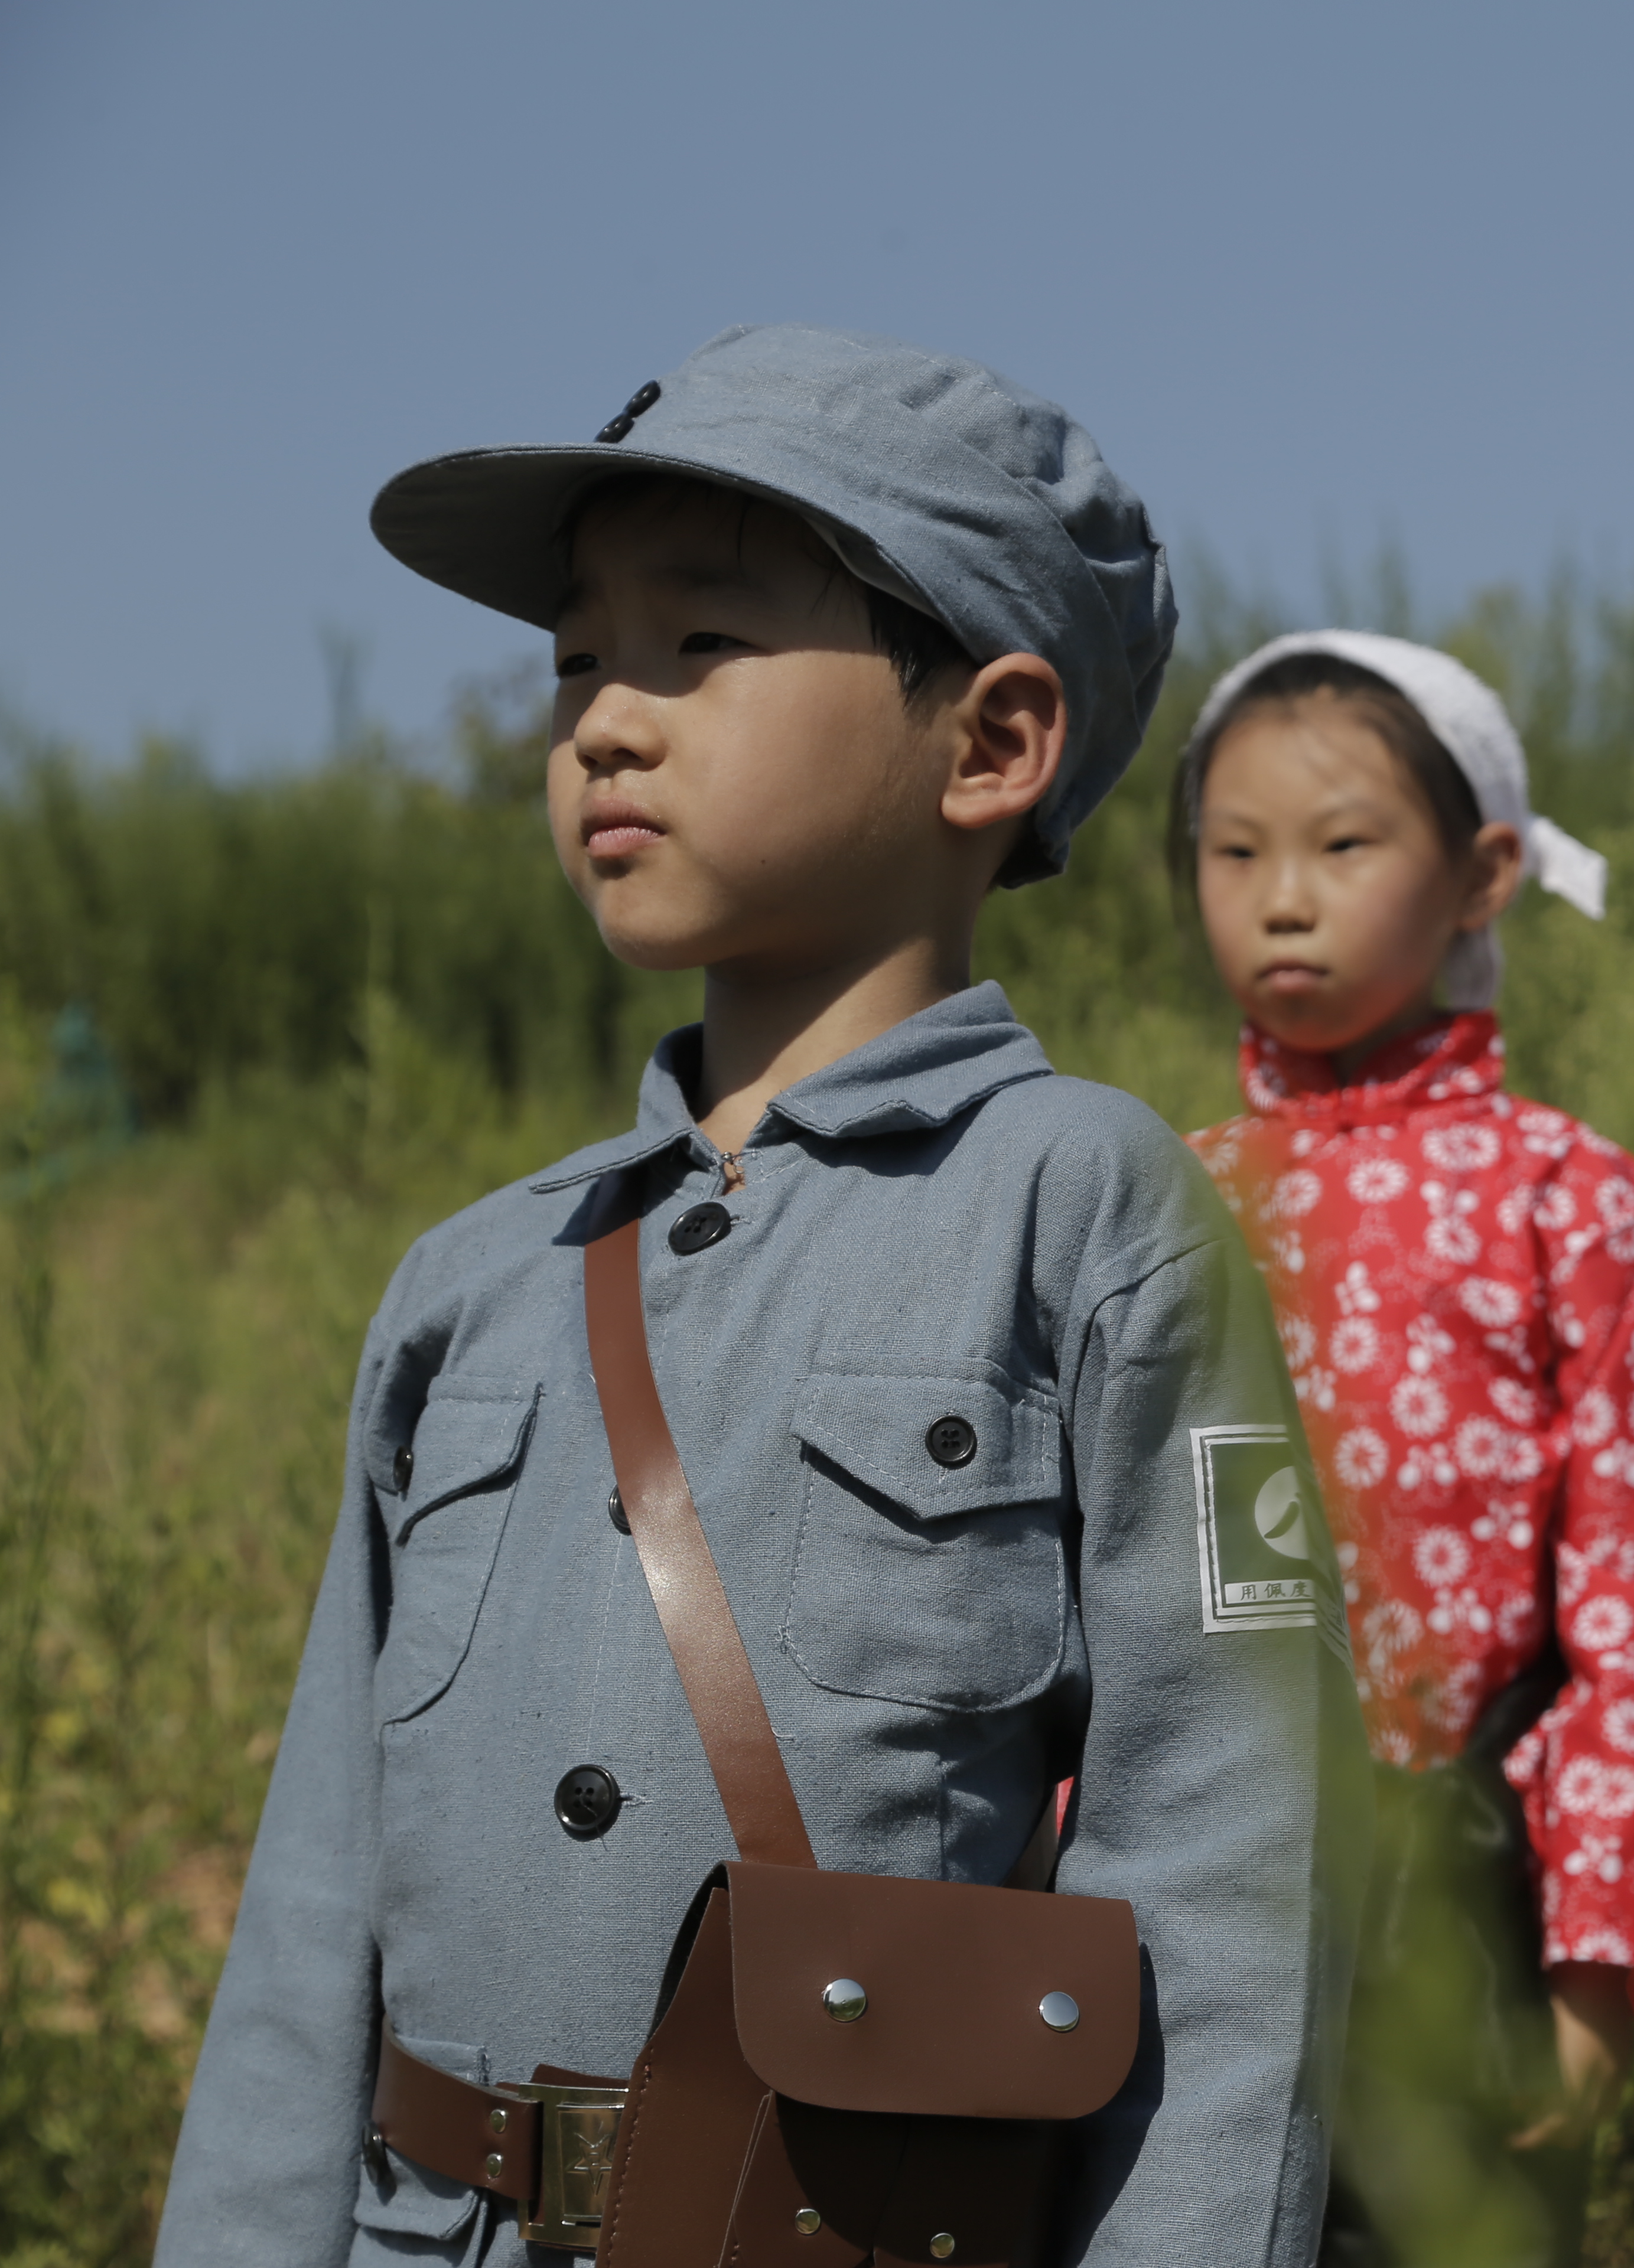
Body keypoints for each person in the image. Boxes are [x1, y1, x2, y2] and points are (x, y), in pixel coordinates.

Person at [152, 325, 1363, 2268]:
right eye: (574, 661)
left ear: (991, 741)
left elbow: (1235, 1893)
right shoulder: (474, 1286)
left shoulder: (1087, 1210)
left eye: (698, 646)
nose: (604, 724)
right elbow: (316, 1916)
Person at [1174, 630, 1634, 2267]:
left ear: (1482, 876)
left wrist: (1602, 1968)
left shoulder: (1568, 1199)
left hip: (1469, 1903)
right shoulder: (1155, 1200)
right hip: (1188, 1899)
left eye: (1342, 843)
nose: (1282, 895)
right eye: (1235, 854)